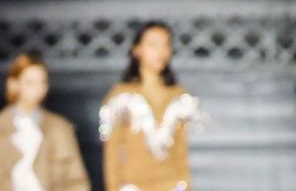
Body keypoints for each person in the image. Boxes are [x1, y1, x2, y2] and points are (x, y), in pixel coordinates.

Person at [99, 23, 201, 191]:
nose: (161, 51)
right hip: (133, 185)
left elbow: (181, 152)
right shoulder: (121, 96)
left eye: (166, 44)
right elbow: (112, 153)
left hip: (171, 185)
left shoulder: (178, 95)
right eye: (153, 44)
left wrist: (186, 185)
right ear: (137, 49)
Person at [0, 53, 89, 191]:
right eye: (30, 82)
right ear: (13, 83)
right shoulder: (3, 126)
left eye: (43, 82)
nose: (38, 89)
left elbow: (76, 180)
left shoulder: (60, 128)